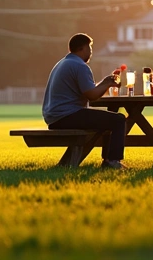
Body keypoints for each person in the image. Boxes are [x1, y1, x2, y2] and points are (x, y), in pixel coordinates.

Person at [42, 33, 127, 169]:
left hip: (55, 116)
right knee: (118, 120)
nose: (91, 52)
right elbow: (92, 96)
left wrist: (105, 83)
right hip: (66, 115)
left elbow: (89, 90)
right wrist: (106, 84)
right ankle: (112, 161)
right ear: (82, 48)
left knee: (109, 119)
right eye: (89, 48)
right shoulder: (80, 66)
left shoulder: (64, 63)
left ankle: (109, 160)